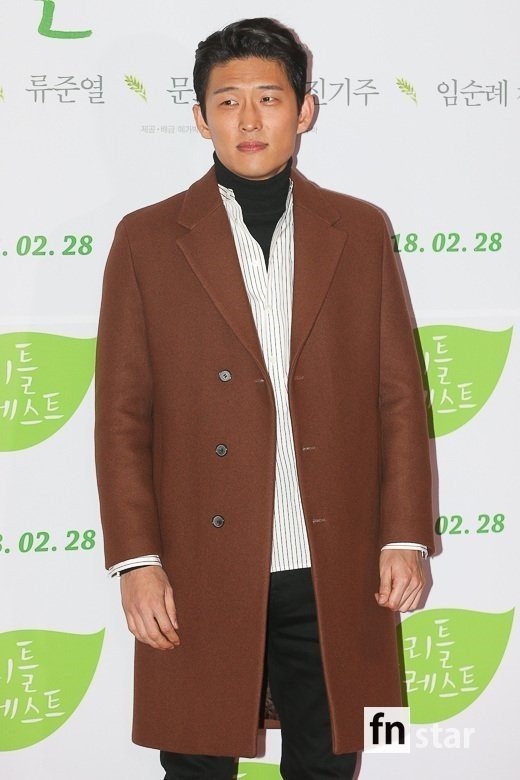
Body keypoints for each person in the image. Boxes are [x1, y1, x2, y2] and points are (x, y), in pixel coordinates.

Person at [94, 16, 435, 780]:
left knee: (337, 759)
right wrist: (136, 562)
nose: (249, 120)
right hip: (198, 564)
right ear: (200, 117)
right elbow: (121, 417)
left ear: (304, 109)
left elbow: (398, 398)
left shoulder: (361, 229)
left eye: (269, 98)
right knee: (195, 764)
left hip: (337, 561)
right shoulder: (145, 239)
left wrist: (405, 534)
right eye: (228, 101)